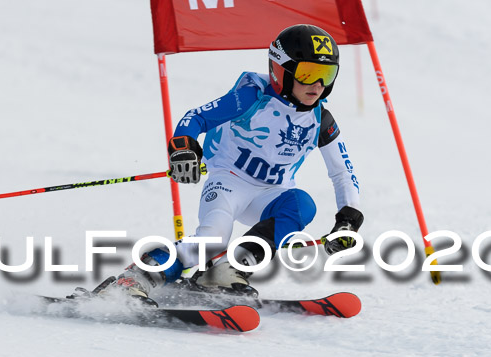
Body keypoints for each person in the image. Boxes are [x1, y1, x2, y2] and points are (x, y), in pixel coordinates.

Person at [98, 24, 364, 302]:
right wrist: (184, 147)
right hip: (229, 182)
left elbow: (343, 172)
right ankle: (137, 277)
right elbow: (196, 117)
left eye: (326, 74)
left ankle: (225, 271)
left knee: (301, 204)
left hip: (270, 195)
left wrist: (348, 219)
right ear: (280, 70)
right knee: (213, 240)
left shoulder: (321, 119)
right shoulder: (252, 97)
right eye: (308, 74)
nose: (318, 85)